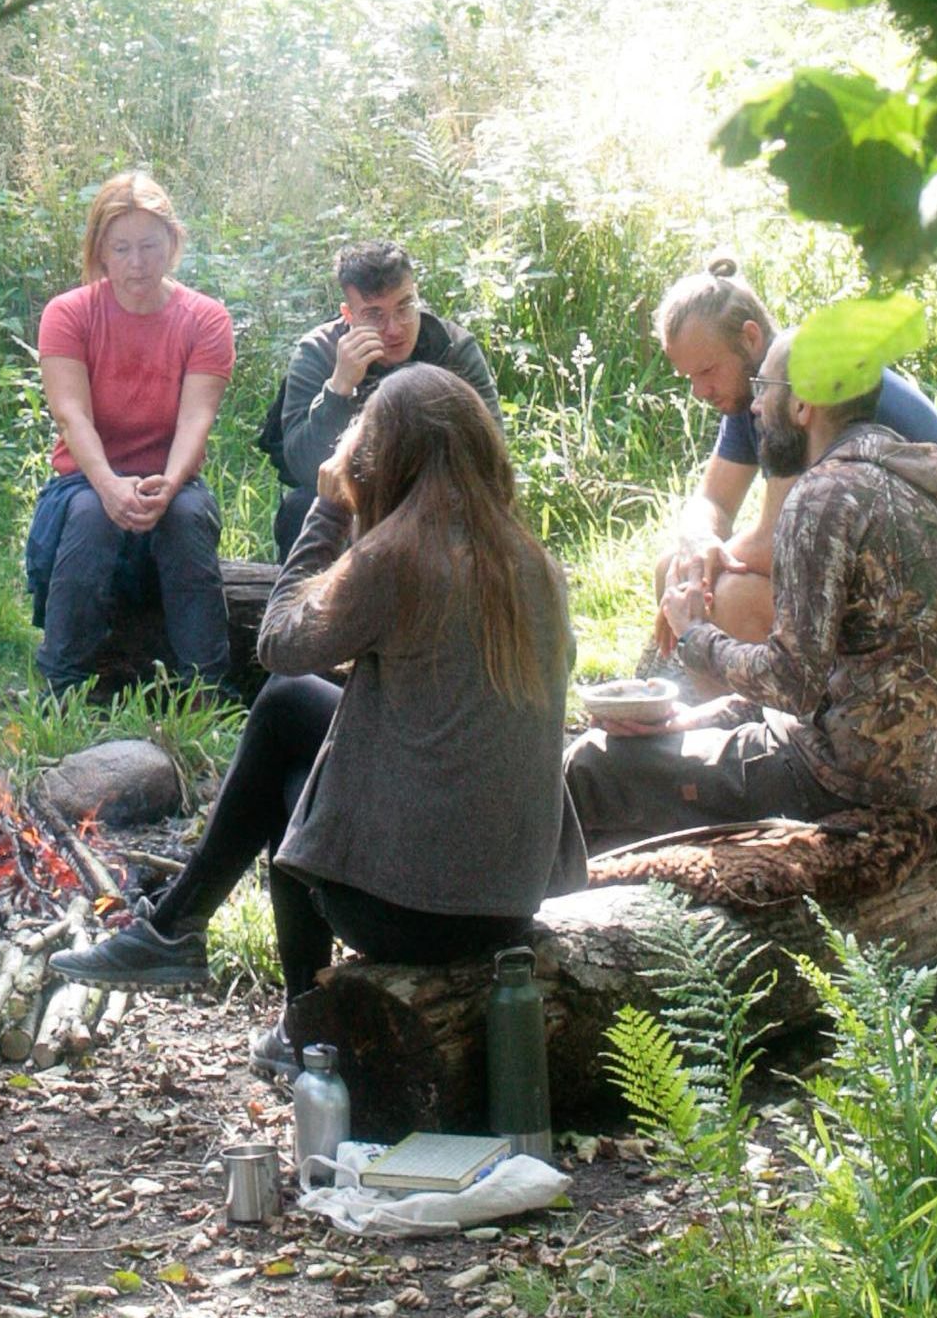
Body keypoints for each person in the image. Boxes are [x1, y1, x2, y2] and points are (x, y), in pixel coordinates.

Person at [51, 366, 585, 1075]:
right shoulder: (534, 562)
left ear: (383, 460)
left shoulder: (398, 558)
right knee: (292, 707)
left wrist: (328, 510)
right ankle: (191, 939)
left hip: (415, 914)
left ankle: (281, 1006)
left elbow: (277, 642)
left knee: (283, 730)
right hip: (511, 898)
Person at [569, 324, 937, 850]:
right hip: (932, 769)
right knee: (671, 741)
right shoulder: (917, 476)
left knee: (590, 766)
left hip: (842, 783)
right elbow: (836, 681)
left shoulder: (824, 496)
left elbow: (791, 683)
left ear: (802, 407)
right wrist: (694, 717)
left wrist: (692, 635)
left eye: (765, 390)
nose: (753, 408)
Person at [650, 258, 937, 651]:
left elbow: (777, 547)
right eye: (689, 379)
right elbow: (712, 499)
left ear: (750, 338)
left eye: (707, 371)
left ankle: (759, 708)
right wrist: (699, 539)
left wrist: (699, 569)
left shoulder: (802, 384)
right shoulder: (752, 391)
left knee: (726, 597)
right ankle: (739, 707)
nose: (699, 392)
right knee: (676, 565)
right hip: (886, 596)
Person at [25, 171, 237, 697]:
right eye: (121, 248)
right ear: (100, 251)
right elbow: (72, 417)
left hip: (174, 476)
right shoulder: (69, 313)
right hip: (84, 481)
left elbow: (195, 420)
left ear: (173, 242)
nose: (136, 263)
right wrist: (108, 484)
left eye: (148, 246)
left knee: (186, 516)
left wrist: (168, 481)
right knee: (94, 514)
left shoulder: (205, 319)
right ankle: (59, 684)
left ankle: (206, 690)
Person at [259, 239, 498, 558]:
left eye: (404, 306)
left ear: (416, 294)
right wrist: (339, 388)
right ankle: (306, 606)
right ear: (349, 315)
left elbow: (492, 453)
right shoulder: (319, 353)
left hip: (436, 495)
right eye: (374, 314)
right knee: (300, 507)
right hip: (353, 497)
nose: (395, 328)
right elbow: (303, 468)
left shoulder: (452, 348)